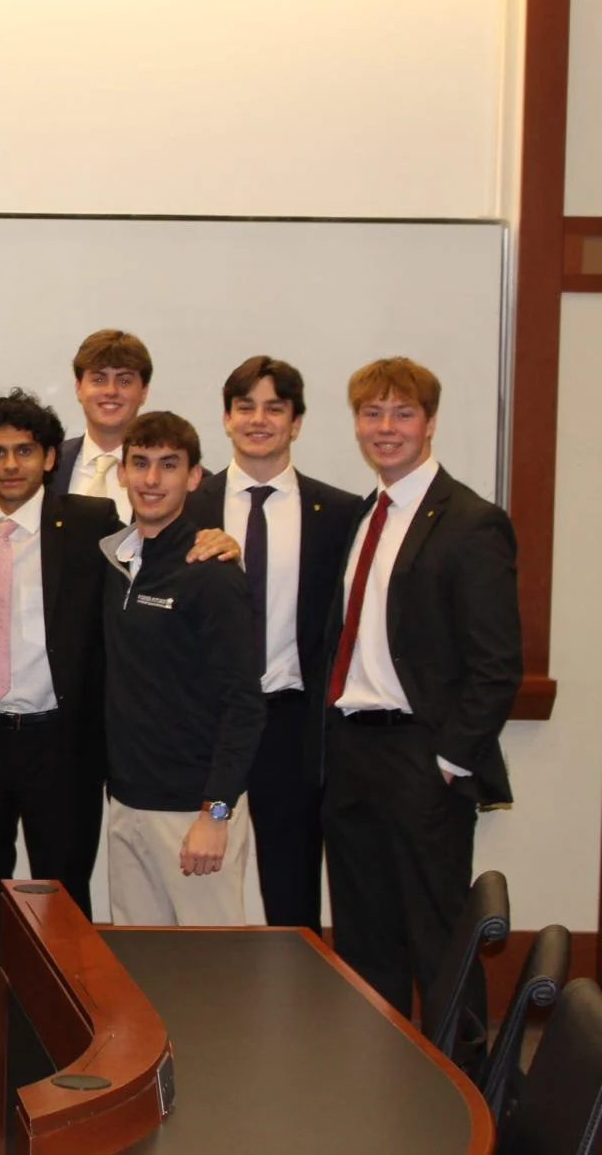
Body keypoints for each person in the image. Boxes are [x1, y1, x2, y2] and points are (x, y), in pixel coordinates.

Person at [0, 390, 121, 1125]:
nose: (11, 465)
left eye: (25, 451)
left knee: (62, 912)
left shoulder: (91, 523)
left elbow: (157, 554)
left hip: (60, 745)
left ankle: (67, 1064)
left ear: (48, 458)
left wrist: (213, 539)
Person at [322, 358, 520, 1027]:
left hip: (421, 759)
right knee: (361, 938)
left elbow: (497, 665)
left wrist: (447, 761)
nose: (386, 428)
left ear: (430, 423)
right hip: (351, 752)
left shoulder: (471, 522)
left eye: (402, 413)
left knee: (437, 943)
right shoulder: (360, 516)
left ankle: (463, 1102)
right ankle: (376, 1089)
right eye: (372, 414)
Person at [188, 357, 356, 932]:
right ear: (227, 418)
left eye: (275, 408)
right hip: (205, 728)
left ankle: (296, 1012)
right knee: (199, 885)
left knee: (292, 895)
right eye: (245, 407)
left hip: (290, 725)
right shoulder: (188, 507)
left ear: (297, 422)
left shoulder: (339, 515)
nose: (259, 420)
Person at [100, 412, 265, 927]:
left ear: (194, 477)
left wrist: (217, 814)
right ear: (122, 472)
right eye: (141, 464)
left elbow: (244, 704)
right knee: (140, 977)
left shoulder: (210, 575)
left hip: (194, 814)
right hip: (127, 804)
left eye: (169, 466)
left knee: (207, 984)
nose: (152, 480)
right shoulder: (118, 560)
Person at [50, 329, 153, 520]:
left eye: (124, 380)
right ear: (79, 388)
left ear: (144, 391)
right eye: (98, 379)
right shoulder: (47, 467)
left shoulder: (178, 478)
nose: (111, 391)